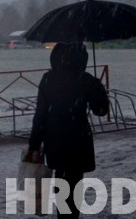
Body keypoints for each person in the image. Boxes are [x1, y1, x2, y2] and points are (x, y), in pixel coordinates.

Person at [28, 43, 109, 216]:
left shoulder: (48, 79)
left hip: (55, 140)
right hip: (78, 140)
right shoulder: (86, 80)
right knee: (74, 184)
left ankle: (63, 216)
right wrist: (99, 89)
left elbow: (40, 115)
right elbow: (101, 110)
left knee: (62, 181)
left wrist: (34, 145)